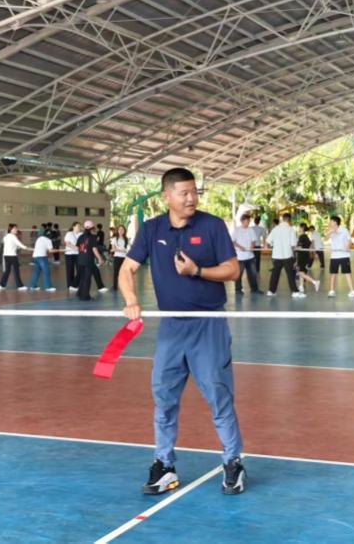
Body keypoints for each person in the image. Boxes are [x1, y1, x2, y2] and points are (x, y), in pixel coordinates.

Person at [119, 167, 246, 496]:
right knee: (163, 397)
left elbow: (233, 270)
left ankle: (233, 462)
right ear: (166, 197)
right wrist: (131, 300)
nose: (192, 199)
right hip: (172, 327)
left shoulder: (212, 225)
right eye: (184, 193)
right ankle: (165, 465)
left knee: (218, 395)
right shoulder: (151, 229)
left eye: (194, 192)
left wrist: (197, 270)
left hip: (208, 324)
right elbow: (127, 269)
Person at [266, 213, 300, 297]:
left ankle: (271, 291)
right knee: (290, 274)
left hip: (276, 256)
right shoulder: (290, 229)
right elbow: (293, 244)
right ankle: (295, 292)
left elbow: (268, 241)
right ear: (289, 220)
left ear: (283, 219)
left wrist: (273, 246)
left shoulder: (275, 229)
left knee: (275, 274)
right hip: (287, 255)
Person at [327, 216, 354, 298]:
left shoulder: (344, 230)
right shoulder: (330, 231)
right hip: (334, 256)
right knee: (333, 274)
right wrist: (330, 232)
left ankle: (352, 291)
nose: (330, 223)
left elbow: (349, 240)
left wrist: (348, 247)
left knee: (347, 273)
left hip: (344, 255)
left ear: (335, 222)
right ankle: (332, 291)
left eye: (331, 221)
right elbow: (326, 238)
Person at [75, 221, 107, 300]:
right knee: (87, 279)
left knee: (82, 277)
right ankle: (85, 296)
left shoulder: (81, 236)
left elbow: (78, 248)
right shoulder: (93, 237)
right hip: (88, 260)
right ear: (92, 228)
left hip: (80, 260)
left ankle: (79, 293)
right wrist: (100, 258)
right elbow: (94, 249)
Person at [231, 214, 260, 295]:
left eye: (249, 221)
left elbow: (253, 241)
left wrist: (252, 246)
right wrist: (240, 247)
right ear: (242, 221)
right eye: (247, 221)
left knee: (253, 274)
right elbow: (232, 241)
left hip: (250, 256)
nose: (248, 223)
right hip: (240, 257)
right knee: (238, 274)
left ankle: (254, 289)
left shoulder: (251, 230)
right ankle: (238, 290)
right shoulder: (236, 230)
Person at [0, 224, 30, 290]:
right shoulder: (13, 237)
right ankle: (20, 286)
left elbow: (12, 245)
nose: (16, 229)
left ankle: (1, 285)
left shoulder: (6, 236)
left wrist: (18, 247)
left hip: (6, 256)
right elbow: (21, 246)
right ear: (11, 229)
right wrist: (32, 249)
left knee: (7, 271)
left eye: (16, 228)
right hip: (12, 256)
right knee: (16, 271)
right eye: (15, 228)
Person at [111, 225, 129, 290]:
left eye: (122, 229)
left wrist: (121, 249)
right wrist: (123, 250)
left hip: (125, 258)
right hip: (117, 257)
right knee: (116, 272)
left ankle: (125, 286)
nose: (121, 231)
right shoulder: (114, 239)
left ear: (124, 231)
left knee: (124, 273)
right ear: (117, 231)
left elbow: (128, 249)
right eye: (119, 229)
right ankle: (115, 286)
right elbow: (113, 249)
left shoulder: (126, 239)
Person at [64, 222, 81, 291]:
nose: (79, 227)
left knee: (80, 269)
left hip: (78, 254)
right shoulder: (69, 234)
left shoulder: (81, 234)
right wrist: (76, 248)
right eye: (78, 226)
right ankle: (70, 285)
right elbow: (67, 243)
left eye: (80, 226)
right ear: (73, 227)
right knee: (70, 270)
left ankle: (76, 284)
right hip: (69, 254)